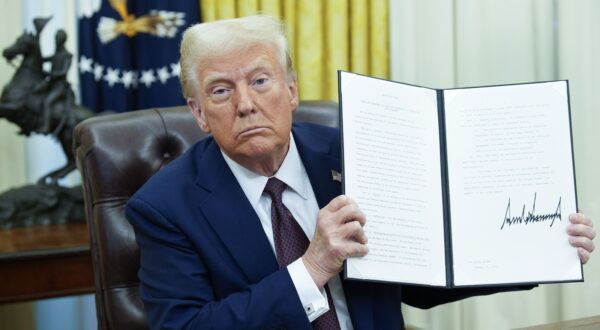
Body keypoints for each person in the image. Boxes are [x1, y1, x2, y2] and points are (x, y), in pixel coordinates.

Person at [126, 15, 596, 330]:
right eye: (221, 90)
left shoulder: (354, 154)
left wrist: (536, 248)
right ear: (199, 113)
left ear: (291, 90)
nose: (246, 104)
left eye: (260, 81)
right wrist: (311, 269)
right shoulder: (165, 206)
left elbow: (421, 276)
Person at [34, 29, 73, 135]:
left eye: (57, 39)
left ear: (62, 40)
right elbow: (41, 59)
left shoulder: (67, 55)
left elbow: (63, 72)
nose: (56, 41)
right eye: (55, 39)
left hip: (60, 87)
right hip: (50, 84)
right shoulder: (56, 54)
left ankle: (46, 126)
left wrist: (51, 74)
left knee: (47, 102)